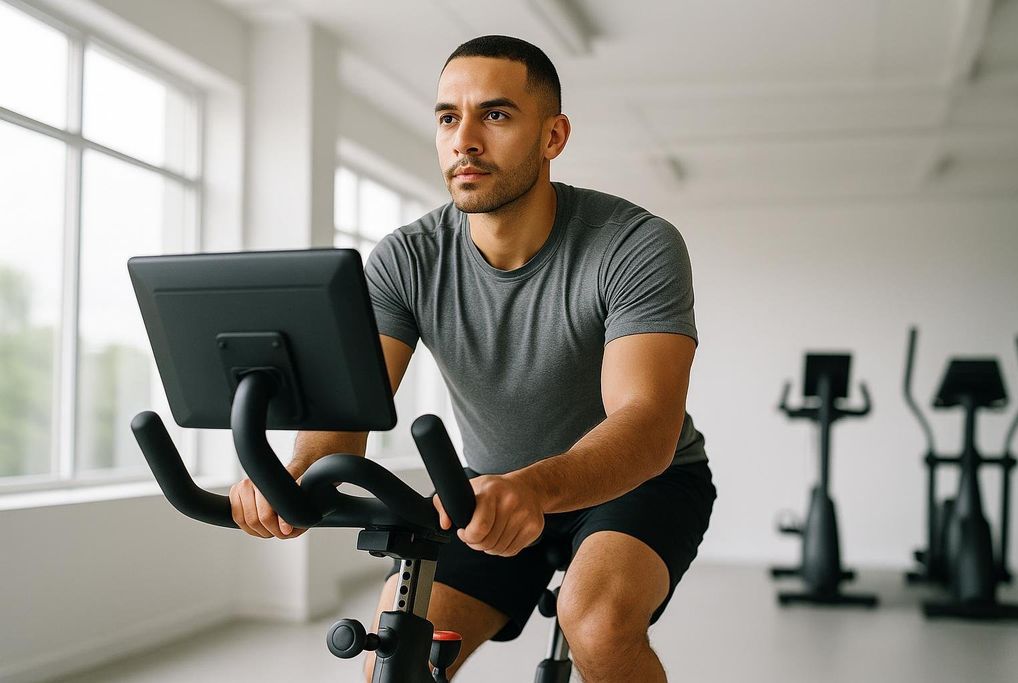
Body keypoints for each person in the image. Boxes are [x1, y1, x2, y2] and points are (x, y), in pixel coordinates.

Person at [229, 35, 715, 683]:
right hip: (487, 489)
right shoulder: (406, 259)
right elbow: (345, 419)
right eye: (448, 117)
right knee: (395, 650)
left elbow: (648, 422)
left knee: (595, 620)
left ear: (553, 135)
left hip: (639, 484)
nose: (465, 140)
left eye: (495, 114)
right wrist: (290, 474)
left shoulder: (633, 244)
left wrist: (537, 487)